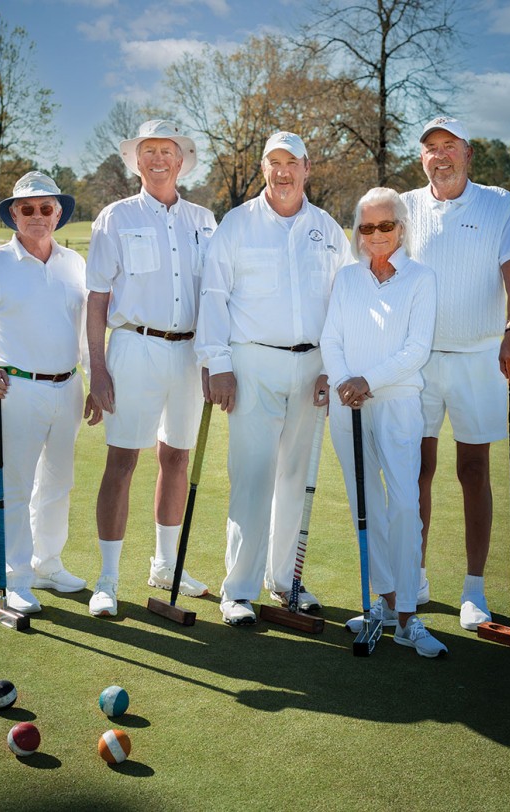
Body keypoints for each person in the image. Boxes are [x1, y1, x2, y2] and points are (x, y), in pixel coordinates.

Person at [195, 131, 352, 626]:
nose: (283, 172)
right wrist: (217, 364)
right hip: (251, 364)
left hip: (312, 369)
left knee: (295, 478)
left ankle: (285, 582)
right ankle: (238, 590)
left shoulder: (328, 230)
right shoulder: (237, 225)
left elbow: (343, 303)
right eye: (273, 163)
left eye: (292, 163)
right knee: (253, 475)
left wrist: (334, 366)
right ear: (263, 168)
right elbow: (213, 296)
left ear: (308, 168)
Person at [401, 117, 510, 630]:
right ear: (422, 159)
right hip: (421, 358)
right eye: (431, 148)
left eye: (448, 146)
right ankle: (415, 574)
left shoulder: (498, 203)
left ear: (467, 152)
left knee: (473, 472)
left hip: (480, 356)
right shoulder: (406, 207)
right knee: (417, 471)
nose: (440, 155)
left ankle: (474, 588)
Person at [85, 120, 217, 617]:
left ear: (181, 160)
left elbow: (217, 297)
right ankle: (108, 578)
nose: (158, 159)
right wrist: (95, 371)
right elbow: (97, 299)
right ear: (137, 161)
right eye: (149, 151)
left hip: (188, 355)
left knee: (177, 459)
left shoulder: (206, 221)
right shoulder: (114, 218)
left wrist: (213, 359)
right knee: (122, 462)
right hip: (132, 349)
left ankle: (165, 565)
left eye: (168, 151)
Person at [0, 171, 94, 614]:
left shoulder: (74, 264)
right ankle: (16, 579)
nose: (37, 215)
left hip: (68, 386)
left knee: (58, 483)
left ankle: (47, 565)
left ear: (58, 213)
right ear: (14, 214)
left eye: (46, 208)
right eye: (27, 208)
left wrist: (95, 380)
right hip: (14, 389)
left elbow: (85, 332)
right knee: (16, 487)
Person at [321, 187, 446, 657]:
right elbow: (330, 336)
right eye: (366, 227)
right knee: (366, 504)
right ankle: (386, 602)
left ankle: (410, 618)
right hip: (347, 403)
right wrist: (343, 382)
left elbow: (416, 349)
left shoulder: (421, 278)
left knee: (405, 505)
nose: (375, 235)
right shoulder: (347, 278)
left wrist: (366, 379)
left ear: (402, 228)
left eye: (385, 226)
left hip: (396, 402)